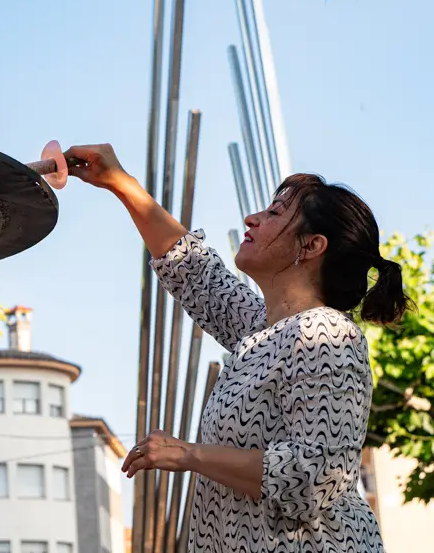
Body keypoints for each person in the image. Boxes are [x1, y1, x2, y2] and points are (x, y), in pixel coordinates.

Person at [65, 143, 410, 552]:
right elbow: (195, 272)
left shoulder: (326, 333)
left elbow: (316, 475)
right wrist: (119, 182)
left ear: (311, 246)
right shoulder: (263, 330)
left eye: (276, 214)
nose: (253, 218)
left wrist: (190, 455)